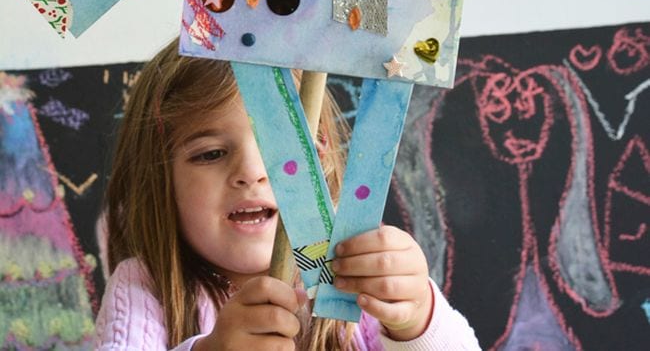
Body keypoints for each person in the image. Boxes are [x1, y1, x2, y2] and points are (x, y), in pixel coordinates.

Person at [94, 40, 481, 350]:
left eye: (282, 145)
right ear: (162, 180)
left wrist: (416, 318)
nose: (251, 173)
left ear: (322, 154)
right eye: (210, 154)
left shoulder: (358, 266)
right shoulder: (145, 288)